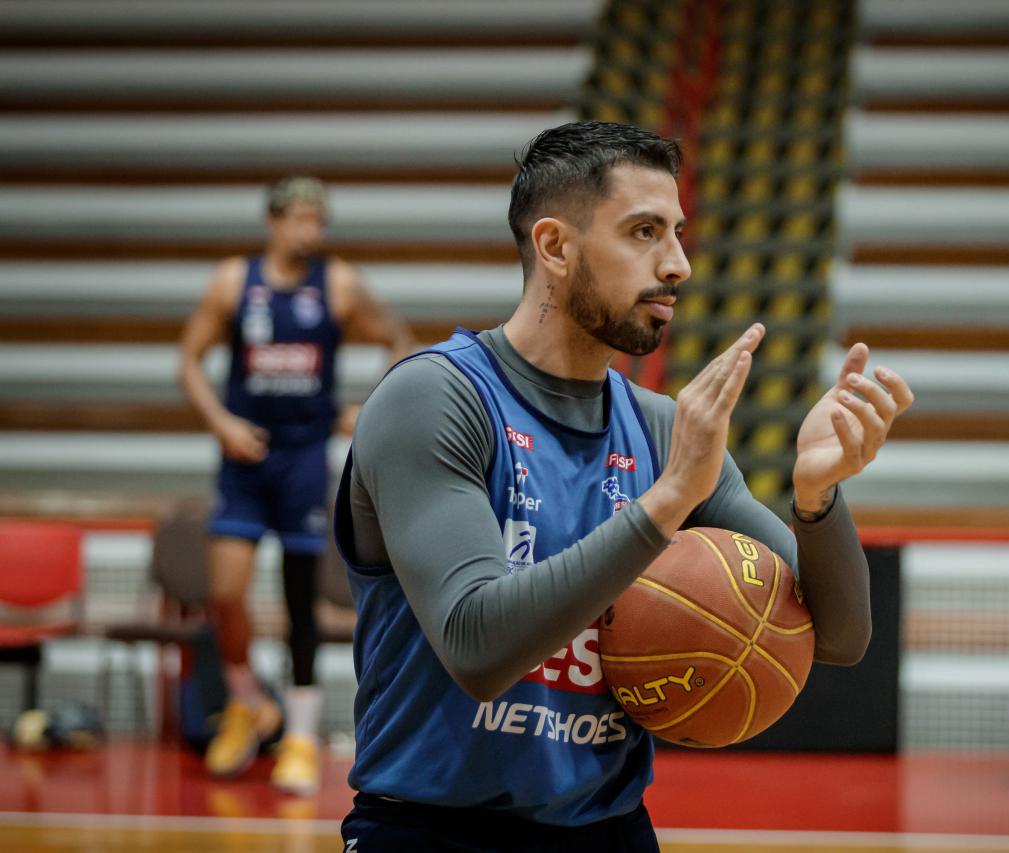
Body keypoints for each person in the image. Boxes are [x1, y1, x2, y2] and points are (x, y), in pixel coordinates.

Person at [335, 121, 914, 850]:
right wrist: (667, 499)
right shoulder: (435, 399)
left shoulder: (663, 429)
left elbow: (839, 635)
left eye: (677, 233)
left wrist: (816, 498)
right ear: (554, 246)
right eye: (644, 232)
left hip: (607, 828)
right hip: (432, 829)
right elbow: (476, 645)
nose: (678, 265)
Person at [178, 176, 415, 795]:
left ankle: (303, 734)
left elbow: (397, 337)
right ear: (274, 222)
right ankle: (247, 701)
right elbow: (188, 360)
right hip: (246, 459)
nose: (310, 231)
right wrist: (222, 422)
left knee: (299, 598)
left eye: (319, 221)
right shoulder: (236, 280)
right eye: (300, 219)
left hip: (305, 459)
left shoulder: (336, 283)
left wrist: (368, 408)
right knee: (224, 592)